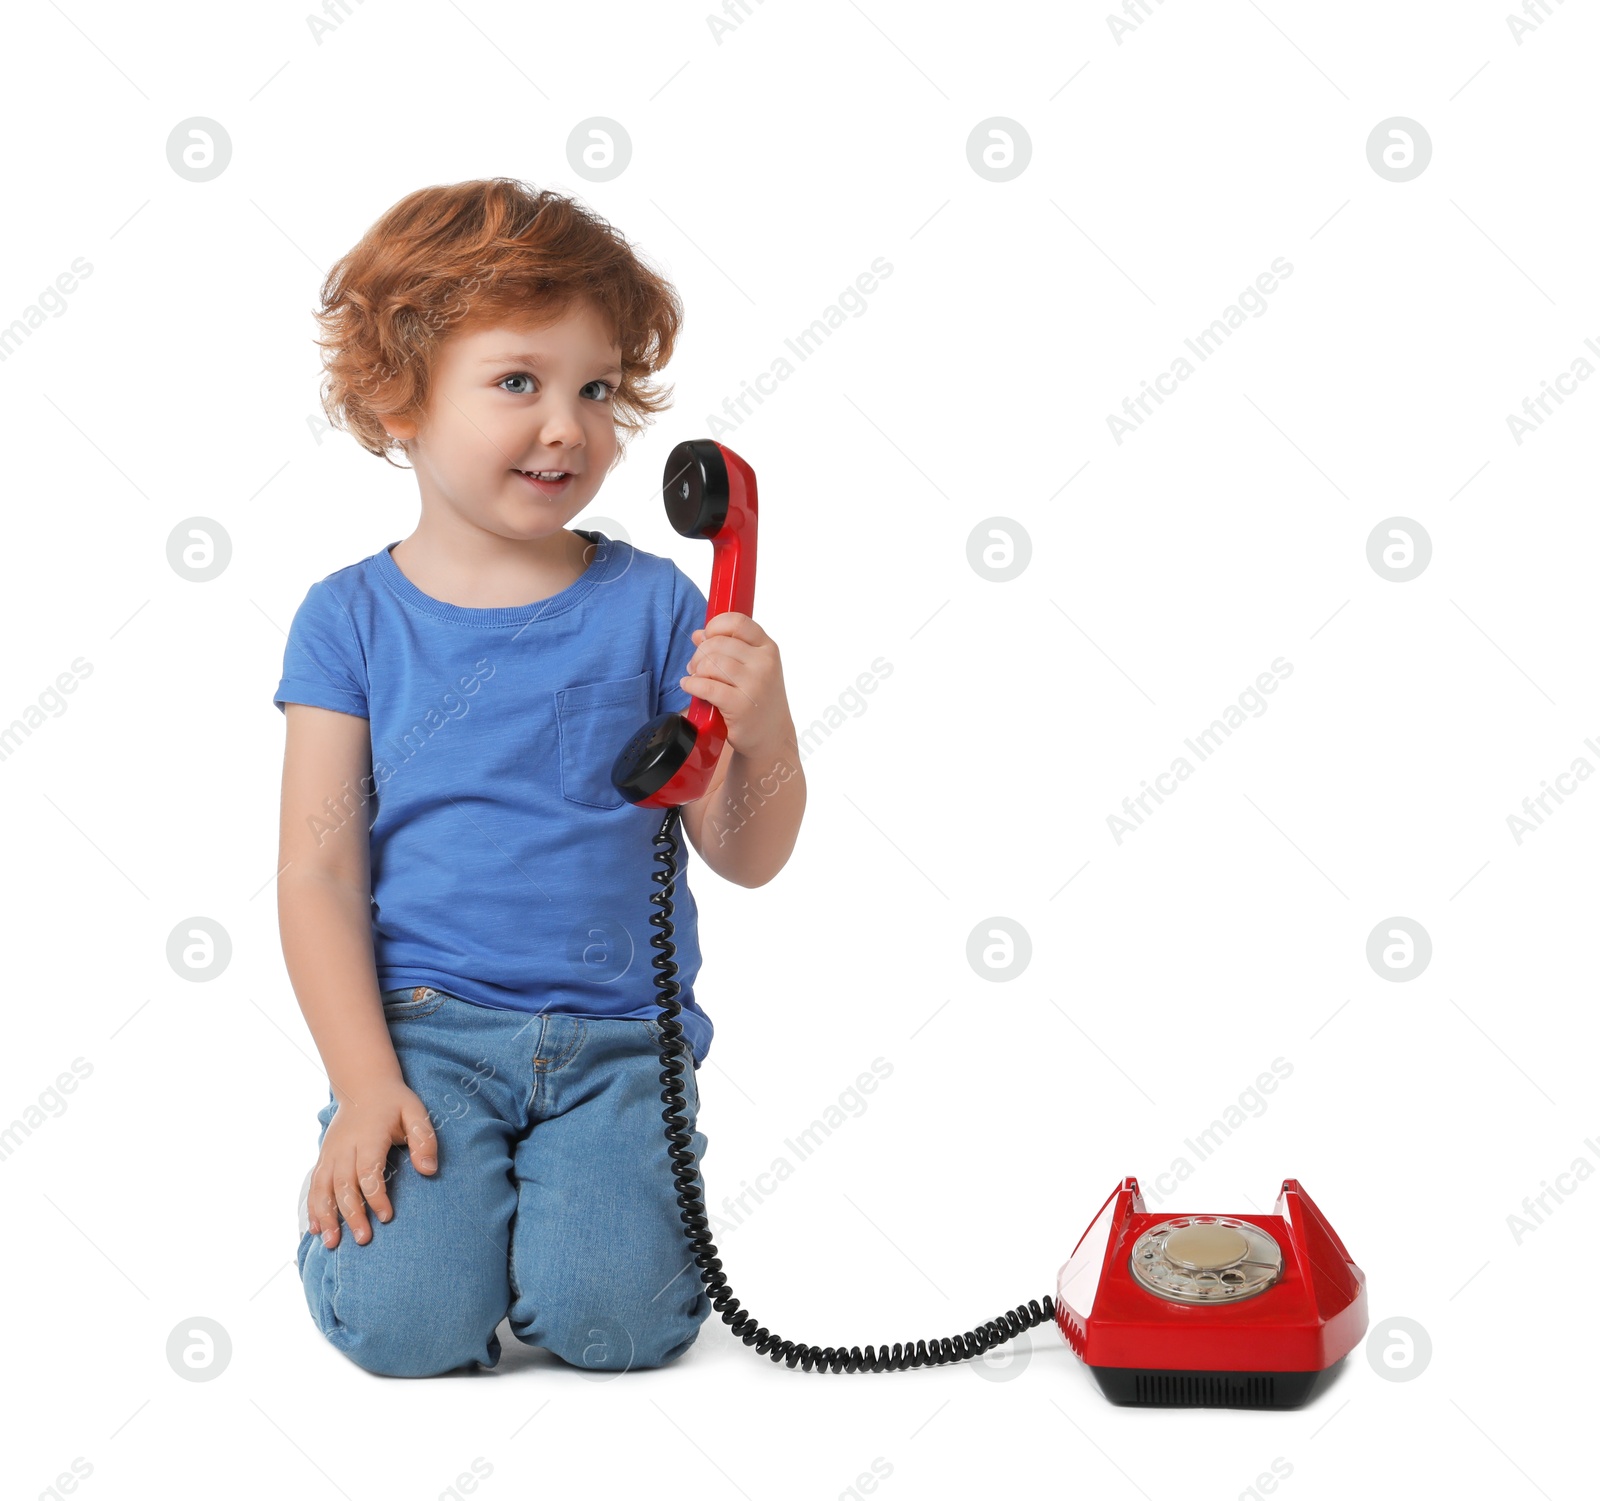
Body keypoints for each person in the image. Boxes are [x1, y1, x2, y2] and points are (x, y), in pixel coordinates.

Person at [275, 178, 806, 1379]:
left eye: (597, 388)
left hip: (623, 1044)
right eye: (519, 382)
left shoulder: (661, 605)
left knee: (619, 1324)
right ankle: (446, 1229)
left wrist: (761, 728)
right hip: (427, 1039)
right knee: (403, 1324)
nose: (567, 425)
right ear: (396, 397)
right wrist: (364, 1086)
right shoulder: (347, 620)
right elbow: (315, 873)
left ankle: (559, 1222)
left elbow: (748, 854)